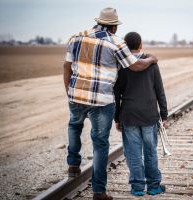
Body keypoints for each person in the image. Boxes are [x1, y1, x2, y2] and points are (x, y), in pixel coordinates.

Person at [63, 8, 158, 200]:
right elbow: (135, 65)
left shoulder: (76, 37)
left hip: (77, 96)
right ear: (114, 26)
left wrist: (70, 93)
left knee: (74, 126)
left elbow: (67, 67)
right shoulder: (116, 42)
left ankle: (73, 164)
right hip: (101, 102)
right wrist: (151, 59)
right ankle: (99, 192)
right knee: (100, 145)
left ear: (98, 21)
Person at [114, 32, 168, 196]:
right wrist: (164, 114)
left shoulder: (121, 64)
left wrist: (116, 117)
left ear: (125, 46)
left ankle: (137, 188)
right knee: (150, 151)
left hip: (129, 115)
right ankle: (153, 187)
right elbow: (159, 90)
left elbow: (115, 93)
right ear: (141, 45)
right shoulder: (152, 63)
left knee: (133, 152)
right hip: (149, 115)